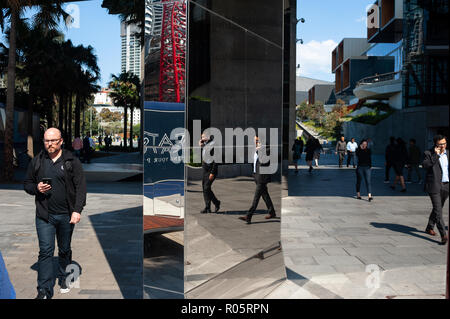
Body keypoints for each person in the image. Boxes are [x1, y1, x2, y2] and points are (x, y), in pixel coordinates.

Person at [23, 128, 86, 299]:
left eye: (53, 141)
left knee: (64, 249)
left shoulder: (71, 161)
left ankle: (65, 278)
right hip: (45, 216)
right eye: (46, 141)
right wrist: (36, 188)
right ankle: (44, 290)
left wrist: (77, 211)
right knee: (45, 251)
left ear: (61, 141)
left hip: (67, 215)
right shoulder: (37, 161)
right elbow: (27, 183)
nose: (49, 144)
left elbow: (81, 188)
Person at [239, 135, 276, 224]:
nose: (255, 143)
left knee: (256, 197)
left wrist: (259, 150)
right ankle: (272, 212)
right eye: (254, 141)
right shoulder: (256, 150)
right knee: (265, 195)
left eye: (257, 141)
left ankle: (249, 216)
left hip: (262, 177)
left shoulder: (267, 149)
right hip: (257, 176)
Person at [423, 135, 449, 245]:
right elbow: (425, 165)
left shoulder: (448, 153)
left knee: (438, 208)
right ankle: (444, 235)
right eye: (440, 144)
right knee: (438, 211)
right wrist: (436, 155)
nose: (443, 146)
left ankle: (429, 227)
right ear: (436, 145)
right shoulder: (428, 153)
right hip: (434, 185)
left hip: (446, 185)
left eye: (444, 143)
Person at [199, 133, 220, 214]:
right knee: (204, 188)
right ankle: (207, 207)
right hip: (205, 170)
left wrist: (212, 172)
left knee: (207, 188)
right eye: (202, 137)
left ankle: (216, 203)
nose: (202, 138)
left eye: (204, 136)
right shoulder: (205, 144)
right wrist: (201, 147)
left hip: (211, 171)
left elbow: (216, 160)